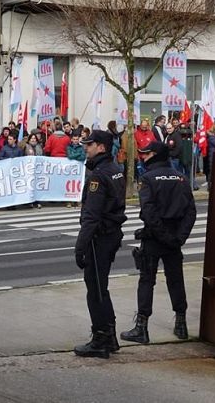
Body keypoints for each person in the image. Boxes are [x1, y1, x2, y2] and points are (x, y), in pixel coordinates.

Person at [121, 141, 196, 344]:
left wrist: (162, 235)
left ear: (155, 155)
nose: (143, 157)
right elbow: (190, 211)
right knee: (176, 280)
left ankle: (141, 327)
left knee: (147, 280)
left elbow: (149, 212)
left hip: (154, 238)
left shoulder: (148, 178)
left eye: (146, 154)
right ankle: (181, 324)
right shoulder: (181, 178)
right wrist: (179, 238)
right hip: (174, 238)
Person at [73, 130, 127, 359]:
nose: (86, 148)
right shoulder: (115, 169)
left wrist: (81, 246)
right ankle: (110, 336)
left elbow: (91, 216)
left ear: (101, 147)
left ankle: (101, 339)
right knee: (101, 287)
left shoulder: (98, 176)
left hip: (99, 237)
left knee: (95, 290)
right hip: (111, 233)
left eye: (90, 144)